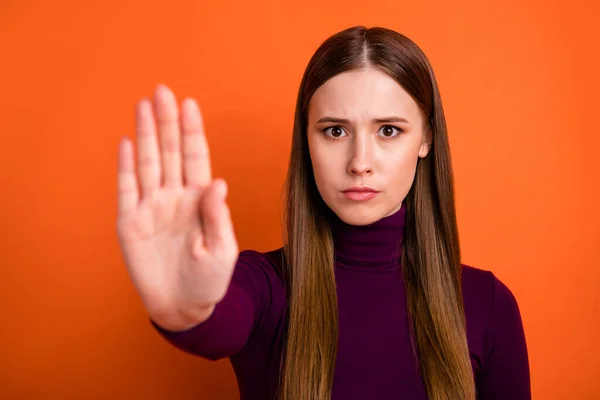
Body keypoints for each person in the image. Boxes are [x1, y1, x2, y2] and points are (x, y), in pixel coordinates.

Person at [116, 26, 531, 400]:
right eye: (335, 130)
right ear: (307, 140)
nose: (359, 162)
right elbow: (220, 323)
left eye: (389, 130)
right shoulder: (264, 286)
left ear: (426, 139)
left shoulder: (487, 304)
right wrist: (185, 310)